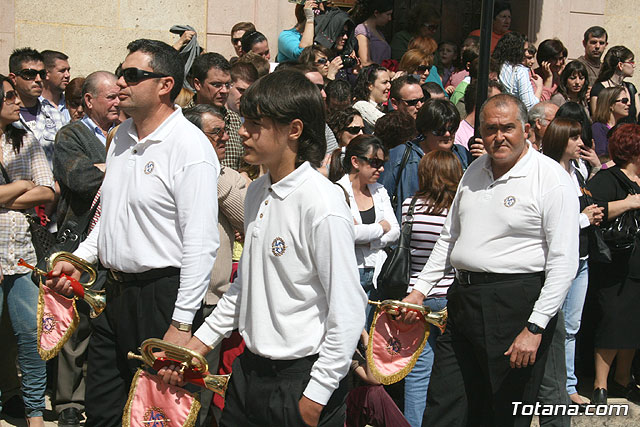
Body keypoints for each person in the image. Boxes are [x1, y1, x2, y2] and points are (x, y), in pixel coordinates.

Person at [159, 70, 367, 427]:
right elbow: (244, 288)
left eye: (255, 124)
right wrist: (196, 347)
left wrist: (315, 397)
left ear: (294, 129)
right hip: (249, 375)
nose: (242, 132)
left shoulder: (323, 202)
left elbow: (348, 310)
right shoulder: (256, 191)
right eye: (243, 121)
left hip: (301, 381)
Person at [46, 39, 220, 425]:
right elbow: (110, 217)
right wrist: (80, 260)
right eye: (120, 72)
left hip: (164, 297)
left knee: (158, 414)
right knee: (105, 408)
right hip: (114, 294)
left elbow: (201, 243)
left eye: (132, 75)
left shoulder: (190, 147)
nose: (121, 82)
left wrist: (181, 324)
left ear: (165, 85)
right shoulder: (121, 136)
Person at [402, 94, 579, 426]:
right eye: (490, 129)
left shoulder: (550, 179)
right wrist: (419, 291)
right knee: (445, 406)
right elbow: (449, 238)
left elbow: (563, 262)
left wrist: (535, 326)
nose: (499, 136)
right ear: (479, 132)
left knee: (502, 414)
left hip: (516, 306)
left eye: (508, 128)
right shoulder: (473, 171)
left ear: (526, 129)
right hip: (463, 302)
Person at [51, 71, 120, 426]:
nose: (116, 102)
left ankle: (98, 395)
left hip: (115, 246)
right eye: (108, 97)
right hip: (81, 243)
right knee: (74, 326)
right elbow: (77, 178)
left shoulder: (126, 135)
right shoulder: (71, 135)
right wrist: (117, 170)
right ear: (89, 100)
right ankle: (68, 402)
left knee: (105, 327)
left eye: (118, 96)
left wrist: (108, 167)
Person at [183, 103, 246, 426]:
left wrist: (217, 179)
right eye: (215, 132)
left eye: (225, 131)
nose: (224, 138)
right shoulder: (179, 171)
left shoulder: (229, 177)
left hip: (212, 302)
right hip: (174, 296)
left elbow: (252, 221)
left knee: (200, 390)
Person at [0, 74, 56, 427]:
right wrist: (22, 187)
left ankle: (35, 413)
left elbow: (49, 191)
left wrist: (15, 188)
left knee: (32, 339)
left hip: (21, 257)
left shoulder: (26, 141)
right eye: (8, 95)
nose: (17, 100)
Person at [541, 118, 604, 409]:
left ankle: (568, 386)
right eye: (575, 138)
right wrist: (584, 219)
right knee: (555, 325)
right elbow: (553, 223)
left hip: (581, 257)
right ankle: (551, 387)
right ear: (560, 139)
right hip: (557, 261)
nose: (581, 143)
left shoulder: (576, 170)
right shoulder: (546, 171)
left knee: (572, 326)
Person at [402, 150, 463, 427]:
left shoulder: (409, 206)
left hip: (417, 296)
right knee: (451, 368)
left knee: (418, 370)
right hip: (451, 295)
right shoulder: (460, 211)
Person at [586, 124, 640, 405]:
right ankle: (600, 385)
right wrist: (630, 203)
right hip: (616, 266)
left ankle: (622, 379)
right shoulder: (609, 179)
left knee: (633, 324)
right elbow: (592, 210)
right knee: (613, 322)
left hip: (637, 267)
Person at [329, 135, 399, 322]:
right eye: (375, 162)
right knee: (349, 327)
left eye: (382, 163)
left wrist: (368, 238)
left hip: (378, 272)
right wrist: (379, 228)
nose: (381, 169)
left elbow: (395, 231)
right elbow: (346, 234)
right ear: (355, 162)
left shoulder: (380, 190)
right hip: (351, 271)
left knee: (373, 332)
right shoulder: (336, 192)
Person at [379, 98, 472, 222]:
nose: (448, 134)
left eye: (452, 129)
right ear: (425, 130)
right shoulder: (401, 156)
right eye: (440, 130)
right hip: (409, 236)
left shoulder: (463, 156)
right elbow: (381, 200)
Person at [9, 48, 67, 168]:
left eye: (42, 74)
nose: (38, 79)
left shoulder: (55, 115)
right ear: (13, 78)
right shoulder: (5, 116)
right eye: (29, 74)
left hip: (53, 184)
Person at [190, 52, 245, 170]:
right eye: (216, 84)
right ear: (197, 84)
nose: (224, 90)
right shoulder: (182, 119)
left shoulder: (234, 120)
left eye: (227, 84)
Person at [589, 45, 639, 123]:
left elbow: (637, 116)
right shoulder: (599, 89)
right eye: (631, 62)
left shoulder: (631, 88)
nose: (634, 65)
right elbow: (597, 119)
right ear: (620, 65)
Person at [493, 32, 542, 109]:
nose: (525, 53)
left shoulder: (498, 65)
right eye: (524, 50)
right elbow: (530, 106)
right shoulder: (520, 71)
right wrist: (539, 87)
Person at [591, 86, 630, 157]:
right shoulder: (598, 128)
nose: (629, 103)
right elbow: (601, 157)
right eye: (624, 101)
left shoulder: (622, 127)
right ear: (610, 105)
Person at [352, 0, 393, 67]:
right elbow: (365, 62)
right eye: (388, 14)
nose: (389, 18)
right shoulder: (362, 30)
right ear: (376, 13)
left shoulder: (379, 32)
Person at [352, 65, 390, 131]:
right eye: (384, 82)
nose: (389, 86)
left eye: (389, 82)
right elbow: (390, 126)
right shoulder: (361, 105)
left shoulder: (380, 106)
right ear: (370, 86)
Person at [41, 50, 72, 122]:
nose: (67, 75)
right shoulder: (35, 106)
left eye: (68, 70)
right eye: (62, 71)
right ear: (46, 74)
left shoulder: (71, 105)